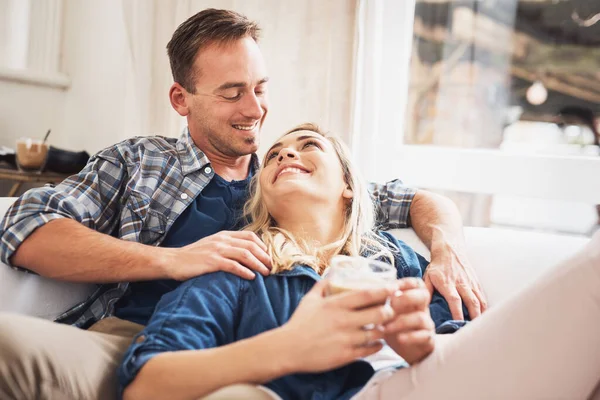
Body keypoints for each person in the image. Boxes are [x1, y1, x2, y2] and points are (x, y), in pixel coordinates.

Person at [0, 8, 484, 400]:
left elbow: (416, 200)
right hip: (136, 341)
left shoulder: (283, 178)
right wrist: (173, 261)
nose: (255, 110)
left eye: (260, 88)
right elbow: (23, 225)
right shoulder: (141, 162)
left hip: (252, 356)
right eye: (232, 93)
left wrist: (446, 251)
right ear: (181, 98)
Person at [118, 124, 600, 400]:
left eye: (309, 145)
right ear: (262, 194)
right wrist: (289, 347)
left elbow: (462, 346)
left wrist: (422, 344)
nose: (286, 152)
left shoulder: (394, 259)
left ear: (350, 186)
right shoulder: (239, 268)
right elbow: (145, 383)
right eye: (276, 155)